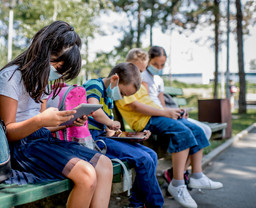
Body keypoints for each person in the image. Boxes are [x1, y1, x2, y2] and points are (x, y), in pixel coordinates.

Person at [0, 21, 113, 208]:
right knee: (87, 174)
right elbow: (8, 132)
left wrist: (69, 121)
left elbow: (44, 125)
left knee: (104, 165)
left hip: (42, 140)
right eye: (59, 68)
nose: (57, 74)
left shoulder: (41, 81)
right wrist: (39, 121)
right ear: (43, 53)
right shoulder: (10, 77)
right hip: (20, 149)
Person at [116, 49, 223, 208]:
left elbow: (154, 103)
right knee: (183, 133)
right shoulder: (126, 82)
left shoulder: (136, 82)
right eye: (137, 70)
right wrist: (165, 112)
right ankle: (178, 183)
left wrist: (172, 112)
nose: (139, 74)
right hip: (146, 120)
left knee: (198, 131)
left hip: (158, 115)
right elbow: (135, 105)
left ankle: (197, 174)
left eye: (141, 71)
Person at [83, 62, 164, 208]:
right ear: (115, 79)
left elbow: (109, 130)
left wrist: (134, 135)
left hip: (104, 137)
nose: (121, 97)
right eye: (122, 93)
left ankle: (137, 204)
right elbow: (93, 110)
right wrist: (110, 122)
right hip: (92, 140)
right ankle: (156, 205)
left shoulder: (109, 96)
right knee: (143, 159)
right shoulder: (94, 85)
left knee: (151, 155)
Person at [135, 46, 213, 186]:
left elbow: (162, 104)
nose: (159, 67)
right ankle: (179, 176)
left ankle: (179, 172)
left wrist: (177, 111)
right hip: (155, 116)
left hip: (163, 113)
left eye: (162, 64)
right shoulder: (143, 77)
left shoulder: (159, 80)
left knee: (205, 130)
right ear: (148, 61)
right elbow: (145, 103)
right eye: (155, 64)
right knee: (189, 132)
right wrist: (167, 112)